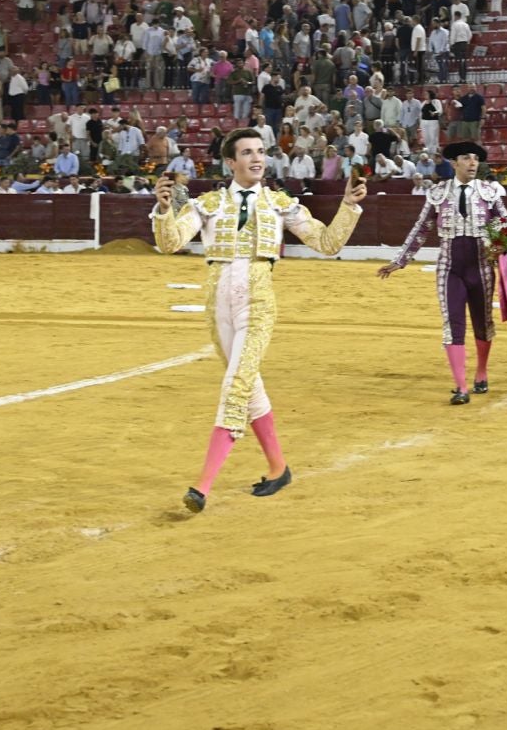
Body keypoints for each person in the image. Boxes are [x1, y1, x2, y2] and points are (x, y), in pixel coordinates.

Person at [151, 128, 367, 514]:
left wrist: (349, 206)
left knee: (236, 387)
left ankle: (202, 487)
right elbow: (171, 243)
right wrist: (164, 211)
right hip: (218, 307)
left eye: (261, 151)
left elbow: (328, 243)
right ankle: (278, 468)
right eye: (247, 152)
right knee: (249, 390)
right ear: (230, 162)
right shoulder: (208, 203)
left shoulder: (281, 204)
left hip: (258, 303)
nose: (257, 158)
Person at [377, 141, 507, 404]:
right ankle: (461, 386)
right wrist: (400, 260)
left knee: (483, 322)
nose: (473, 163)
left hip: (482, 265)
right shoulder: (438, 193)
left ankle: (481, 371)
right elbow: (421, 227)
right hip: (450, 267)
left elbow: (506, 222)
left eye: (475, 158)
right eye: (466, 158)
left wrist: (498, 245)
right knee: (453, 324)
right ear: (454, 163)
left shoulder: (489, 192)